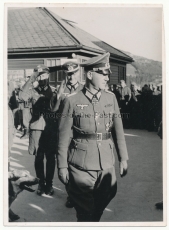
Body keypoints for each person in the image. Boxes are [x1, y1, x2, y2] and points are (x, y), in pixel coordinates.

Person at [57, 52, 128, 222]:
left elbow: (118, 130)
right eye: (103, 74)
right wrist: (62, 166)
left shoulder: (111, 98)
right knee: (85, 211)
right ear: (90, 75)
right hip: (80, 164)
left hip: (106, 160)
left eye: (107, 74)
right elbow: (63, 136)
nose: (107, 77)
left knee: (107, 195)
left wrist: (123, 158)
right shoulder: (72, 100)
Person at [19, 65, 57, 196]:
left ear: (48, 76)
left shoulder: (54, 91)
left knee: (51, 158)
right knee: (38, 157)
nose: (43, 78)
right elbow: (22, 97)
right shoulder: (32, 90)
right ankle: (41, 183)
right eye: (40, 75)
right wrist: (32, 77)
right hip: (36, 128)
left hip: (50, 128)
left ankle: (49, 184)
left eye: (45, 75)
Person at [50, 59, 84, 208]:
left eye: (73, 73)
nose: (70, 77)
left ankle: (82, 193)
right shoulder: (61, 89)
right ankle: (71, 195)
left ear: (78, 73)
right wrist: (58, 95)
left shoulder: (84, 88)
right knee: (67, 165)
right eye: (68, 74)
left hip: (79, 133)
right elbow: (53, 109)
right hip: (65, 134)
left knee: (81, 164)